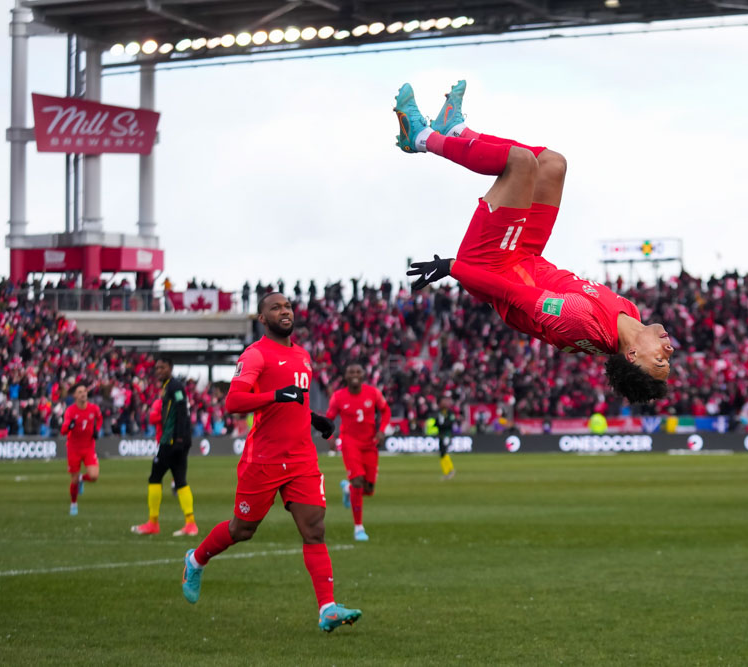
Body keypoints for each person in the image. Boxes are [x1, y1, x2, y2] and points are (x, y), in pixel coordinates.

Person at [396, 81, 673, 404]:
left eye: (659, 360)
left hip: (492, 266)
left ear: (632, 354)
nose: (668, 350)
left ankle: (420, 138)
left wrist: (453, 268)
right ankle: (456, 130)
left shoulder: (580, 321)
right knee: (554, 164)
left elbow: (512, 293)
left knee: (521, 163)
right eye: (667, 359)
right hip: (525, 255)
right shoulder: (631, 313)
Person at [181, 292, 361, 633]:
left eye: (288, 306)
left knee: (315, 529)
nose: (284, 311)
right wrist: (274, 396)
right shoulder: (255, 355)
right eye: (276, 307)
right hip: (263, 459)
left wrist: (314, 418)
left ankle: (327, 608)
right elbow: (234, 401)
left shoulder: (303, 355)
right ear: (262, 318)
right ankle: (196, 560)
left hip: (301, 457)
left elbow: (293, 402)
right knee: (242, 530)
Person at [131, 358, 197, 536]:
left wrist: (180, 439)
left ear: (170, 368)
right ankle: (190, 523)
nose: (159, 370)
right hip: (177, 440)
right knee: (180, 480)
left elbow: (182, 410)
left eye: (162, 367)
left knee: (154, 478)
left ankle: (153, 523)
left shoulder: (174, 387)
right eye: (157, 367)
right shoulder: (169, 386)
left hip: (172, 441)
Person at [326, 363, 389, 542]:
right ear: (345, 376)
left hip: (370, 444)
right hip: (349, 443)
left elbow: (386, 411)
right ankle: (358, 528)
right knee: (358, 481)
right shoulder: (338, 397)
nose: (354, 374)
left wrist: (382, 429)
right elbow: (329, 419)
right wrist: (330, 436)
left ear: (363, 375)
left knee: (368, 490)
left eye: (358, 371)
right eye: (351, 372)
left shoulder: (373, 393)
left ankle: (347, 489)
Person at [60, 382, 102, 516]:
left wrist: (97, 430)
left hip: (89, 447)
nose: (83, 393)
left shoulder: (94, 408)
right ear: (75, 396)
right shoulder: (70, 411)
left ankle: (82, 479)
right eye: (80, 392)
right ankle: (73, 504)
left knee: (94, 476)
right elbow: (63, 431)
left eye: (84, 391)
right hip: (74, 448)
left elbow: (99, 419)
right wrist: (69, 426)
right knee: (73, 480)